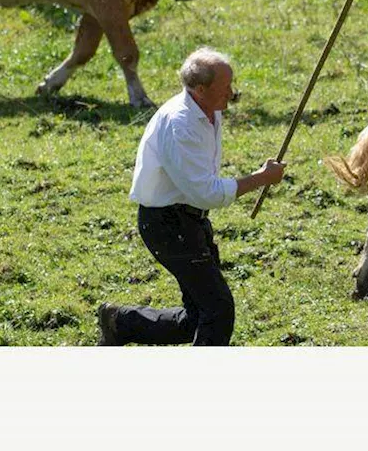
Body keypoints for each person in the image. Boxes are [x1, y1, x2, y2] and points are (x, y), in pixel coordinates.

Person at [97, 47, 285, 346]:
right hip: (168, 224)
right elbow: (206, 192)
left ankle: (121, 322)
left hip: (188, 221)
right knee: (218, 309)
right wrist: (261, 178)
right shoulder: (180, 124)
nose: (231, 93)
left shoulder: (209, 110)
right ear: (200, 89)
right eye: (225, 87)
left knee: (196, 318)